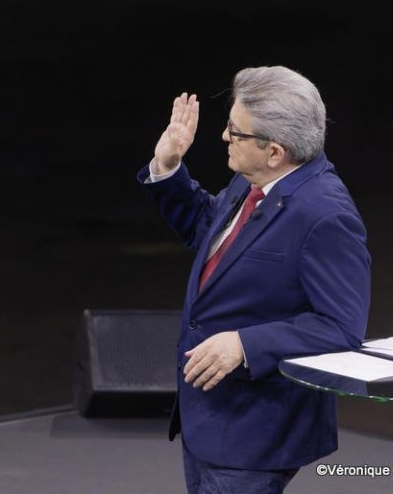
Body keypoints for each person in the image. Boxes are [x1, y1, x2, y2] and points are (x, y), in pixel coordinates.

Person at [137, 66, 371, 494]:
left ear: (275, 151)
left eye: (235, 131)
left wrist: (244, 344)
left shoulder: (324, 215)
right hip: (211, 413)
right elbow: (212, 233)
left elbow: (341, 328)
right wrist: (169, 168)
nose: (225, 137)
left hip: (256, 429)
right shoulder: (259, 180)